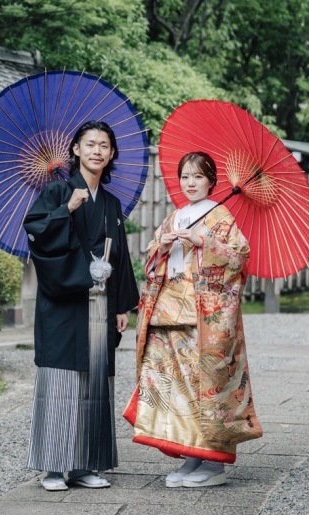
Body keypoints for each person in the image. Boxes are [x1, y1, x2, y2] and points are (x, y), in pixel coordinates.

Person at [123, 151, 262, 488]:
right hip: (166, 313)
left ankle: (213, 463)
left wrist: (204, 242)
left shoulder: (221, 217)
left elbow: (239, 258)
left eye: (198, 176)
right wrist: (161, 246)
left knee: (205, 385)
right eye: (185, 176)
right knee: (175, 387)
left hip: (202, 317)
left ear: (211, 181)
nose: (190, 183)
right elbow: (152, 260)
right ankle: (191, 455)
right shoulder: (174, 216)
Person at [23, 120, 139, 492]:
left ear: (112, 153)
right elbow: (36, 234)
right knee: (61, 380)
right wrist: (65, 210)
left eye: (104, 145)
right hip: (63, 302)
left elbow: (119, 256)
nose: (97, 151)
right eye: (90, 144)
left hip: (100, 302)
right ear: (76, 149)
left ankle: (85, 465)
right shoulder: (58, 191)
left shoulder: (111, 204)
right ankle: (53, 468)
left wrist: (121, 305)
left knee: (94, 383)